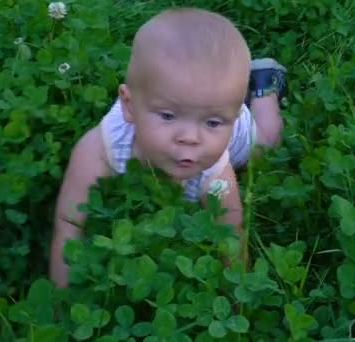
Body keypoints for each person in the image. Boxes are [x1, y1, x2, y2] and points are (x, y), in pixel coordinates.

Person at [49, 7, 287, 288]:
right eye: (167, 115)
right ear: (129, 105)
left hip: (236, 129)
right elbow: (68, 224)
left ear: (232, 118)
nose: (189, 138)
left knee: (267, 143)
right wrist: (59, 309)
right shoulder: (101, 148)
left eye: (212, 122)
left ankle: (264, 87)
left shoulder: (215, 169)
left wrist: (239, 306)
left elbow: (230, 236)